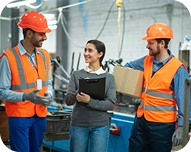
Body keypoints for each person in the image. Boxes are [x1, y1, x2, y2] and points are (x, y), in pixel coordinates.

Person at [125, 23, 191, 152]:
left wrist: (183, 127)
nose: (147, 46)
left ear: (162, 43)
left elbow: (184, 101)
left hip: (162, 125)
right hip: (141, 120)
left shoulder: (178, 69)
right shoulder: (146, 61)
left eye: (150, 43)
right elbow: (127, 67)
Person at [0, 11, 53, 152]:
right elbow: (1, 92)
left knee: (36, 149)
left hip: (40, 114)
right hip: (19, 116)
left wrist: (50, 95)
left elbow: (48, 83)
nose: (45, 37)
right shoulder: (8, 58)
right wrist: (26, 96)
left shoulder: (45, 56)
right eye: (41, 34)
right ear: (29, 34)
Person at [64, 39, 116, 152]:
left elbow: (111, 104)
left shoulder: (109, 78)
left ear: (100, 54)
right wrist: (80, 90)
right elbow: (68, 100)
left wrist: (89, 101)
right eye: (85, 50)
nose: (86, 53)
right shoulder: (76, 74)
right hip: (78, 125)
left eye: (90, 50)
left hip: (100, 126)